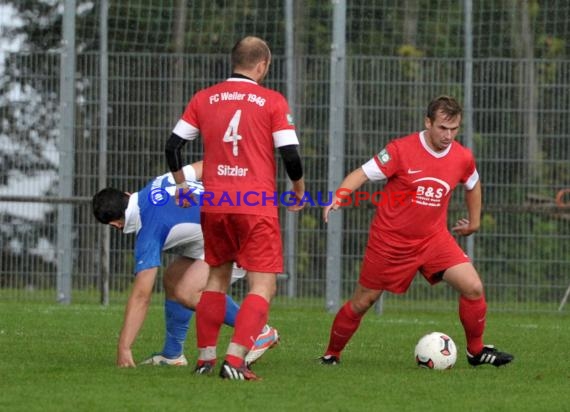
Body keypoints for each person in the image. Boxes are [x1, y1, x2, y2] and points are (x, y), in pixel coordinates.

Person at [319, 95, 514, 367]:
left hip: (434, 239)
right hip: (390, 242)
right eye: (442, 128)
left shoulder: (462, 156)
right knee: (364, 301)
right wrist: (339, 196)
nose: (448, 135)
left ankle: (476, 351)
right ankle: (331, 355)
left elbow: (473, 183)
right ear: (428, 122)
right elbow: (362, 173)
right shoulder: (400, 150)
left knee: (473, 287)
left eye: (454, 128)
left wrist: (474, 221)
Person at [164, 36, 305, 380]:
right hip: (253, 203)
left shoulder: (204, 97)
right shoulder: (271, 101)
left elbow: (173, 146)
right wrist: (298, 189)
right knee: (263, 285)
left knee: (216, 278)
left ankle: (205, 359)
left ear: (234, 62)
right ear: (262, 66)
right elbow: (290, 155)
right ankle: (237, 359)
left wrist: (182, 186)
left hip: (215, 203)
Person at [92, 161, 279, 368]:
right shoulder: (159, 182)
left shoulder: (148, 229)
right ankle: (172, 355)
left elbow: (141, 296)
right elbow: (207, 166)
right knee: (173, 278)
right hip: (232, 222)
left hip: (237, 235)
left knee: (186, 291)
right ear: (127, 194)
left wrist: (124, 348)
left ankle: (259, 331)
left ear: (115, 224)